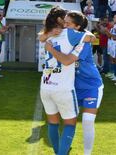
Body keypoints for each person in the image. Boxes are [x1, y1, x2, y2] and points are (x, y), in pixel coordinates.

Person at [44, 12, 103, 155]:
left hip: (91, 86)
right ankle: (63, 149)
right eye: (64, 23)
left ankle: (86, 153)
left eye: (68, 23)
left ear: (77, 27)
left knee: (87, 121)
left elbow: (68, 59)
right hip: (72, 87)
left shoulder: (83, 41)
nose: (64, 26)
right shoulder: (64, 36)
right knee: (67, 119)